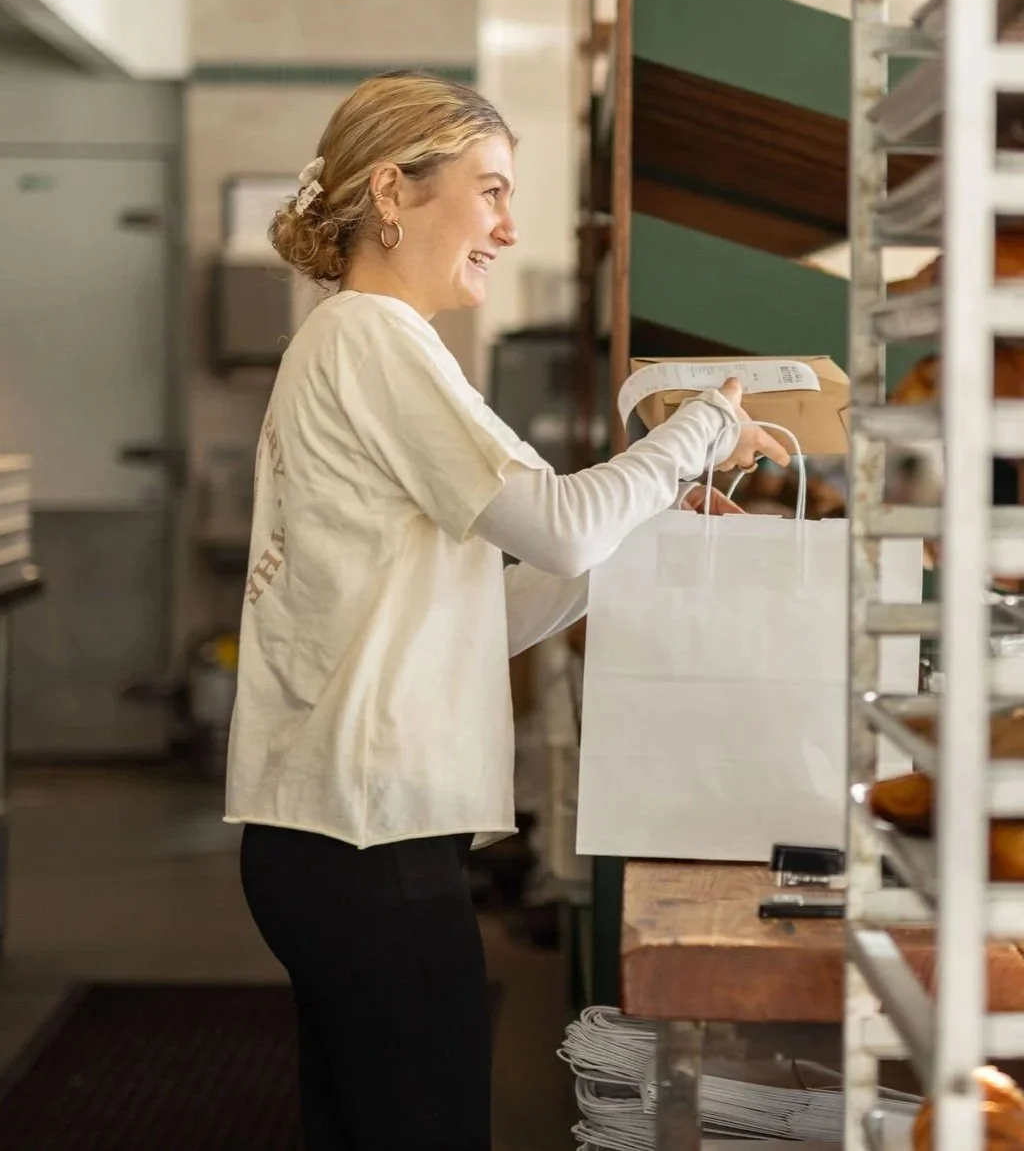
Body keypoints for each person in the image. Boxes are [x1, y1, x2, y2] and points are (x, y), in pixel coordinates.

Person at [224, 71, 788, 1151]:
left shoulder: (369, 342)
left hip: (354, 836)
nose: (506, 223)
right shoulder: (372, 337)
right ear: (392, 190)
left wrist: (655, 514)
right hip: (364, 837)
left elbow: (506, 601)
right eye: (487, 190)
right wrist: (699, 433)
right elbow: (565, 524)